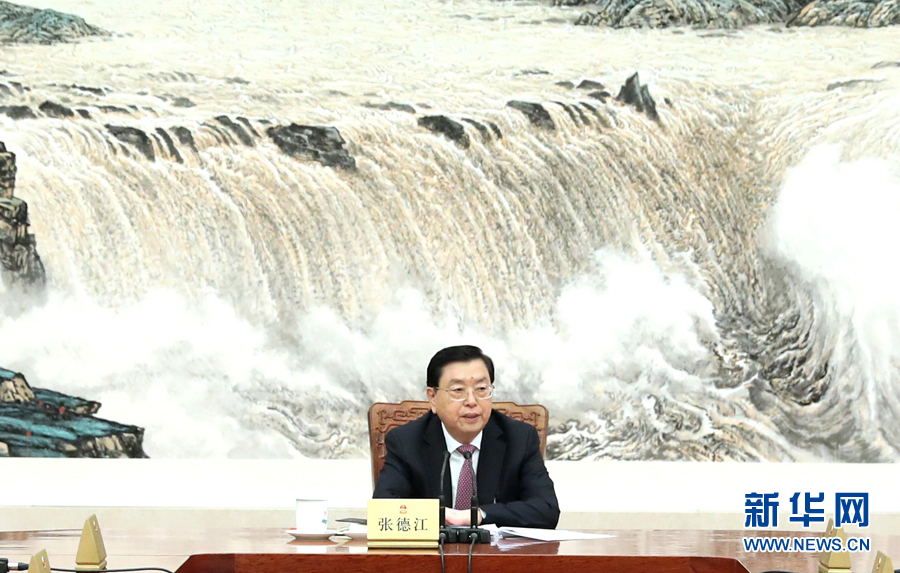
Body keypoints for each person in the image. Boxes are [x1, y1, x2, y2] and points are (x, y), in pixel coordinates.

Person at [373, 345, 560, 529]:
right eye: (458, 390)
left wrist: (478, 515)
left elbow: (546, 509)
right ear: (433, 397)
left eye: (481, 389)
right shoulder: (406, 441)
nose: (471, 401)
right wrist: (437, 515)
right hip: (433, 549)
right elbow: (384, 507)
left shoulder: (519, 438)